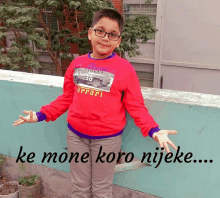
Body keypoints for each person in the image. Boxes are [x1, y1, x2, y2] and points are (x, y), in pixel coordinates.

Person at [13, 9, 177, 198]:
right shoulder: (77, 64)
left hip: (107, 140)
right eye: (100, 31)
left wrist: (154, 130)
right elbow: (67, 97)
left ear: (118, 40)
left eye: (112, 34)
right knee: (79, 188)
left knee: (101, 190)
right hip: (76, 137)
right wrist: (41, 115)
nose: (105, 38)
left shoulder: (125, 70)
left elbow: (136, 106)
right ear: (90, 33)